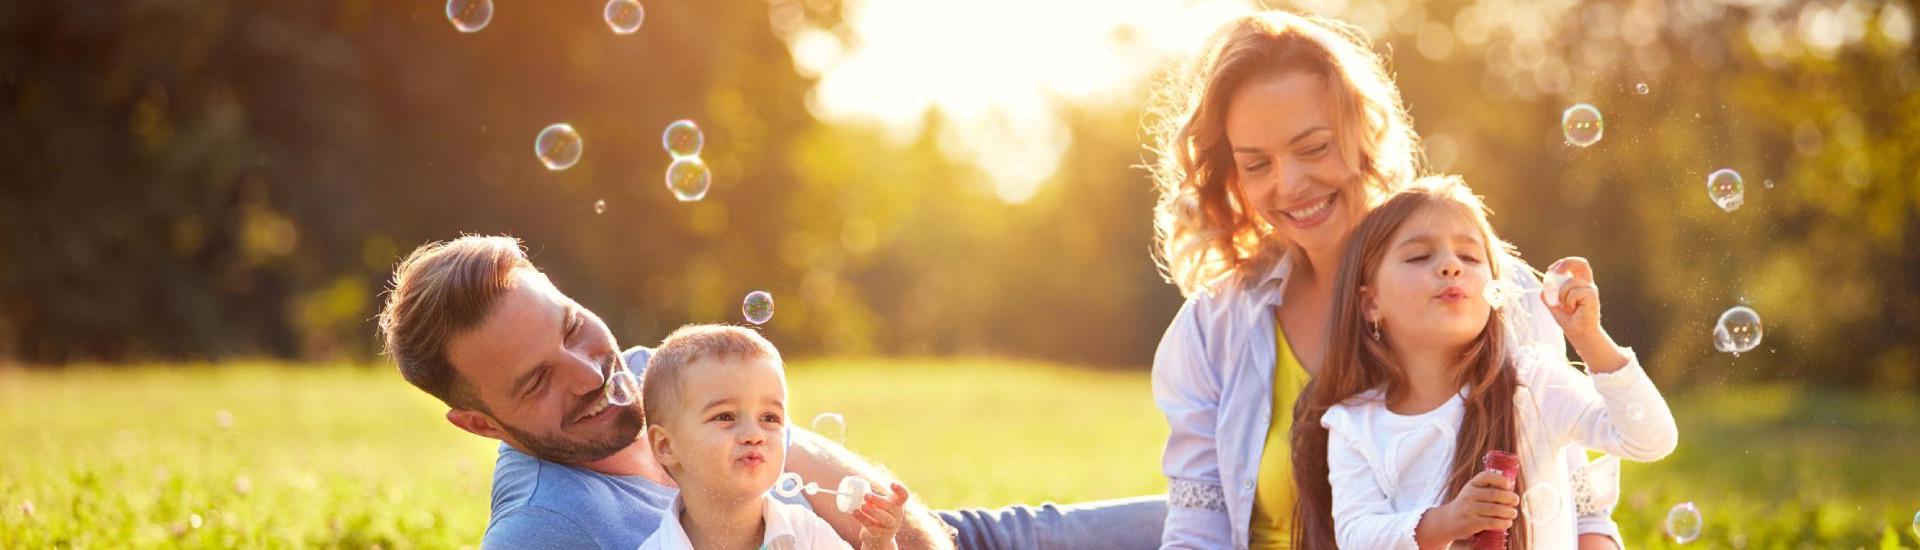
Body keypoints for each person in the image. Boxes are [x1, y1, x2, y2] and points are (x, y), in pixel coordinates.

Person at [1144, 11, 1627, 549]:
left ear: (1362, 133)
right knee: (1034, 534)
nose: (1291, 184)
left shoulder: (1487, 290)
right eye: (1257, 165)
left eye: (1313, 148)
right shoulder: (1218, 322)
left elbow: (1584, 513)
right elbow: (1196, 528)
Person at [376, 234, 1166, 549]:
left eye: (574, 328)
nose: (592, 373)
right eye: (537, 380)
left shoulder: (663, 371)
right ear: (480, 423)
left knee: (1235, 518)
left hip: (967, 541)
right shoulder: (544, 534)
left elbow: (890, 507)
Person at [1294, 177, 1678, 548]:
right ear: (1371, 303)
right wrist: (1447, 521)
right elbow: (1356, 535)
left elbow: (1651, 439)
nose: (1450, 266)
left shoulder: (1532, 386)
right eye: (1419, 256)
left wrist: (1589, 338)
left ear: (1495, 291)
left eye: (1469, 256)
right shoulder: (1354, 423)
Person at [635, 324, 911, 550]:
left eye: (769, 418)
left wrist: (879, 544)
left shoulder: (806, 534)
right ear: (666, 445)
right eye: (725, 416)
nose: (754, 435)